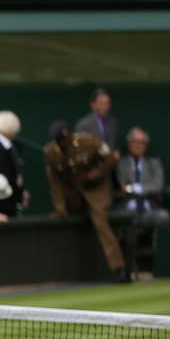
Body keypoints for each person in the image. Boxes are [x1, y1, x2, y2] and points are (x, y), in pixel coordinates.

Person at [44, 120, 126, 282]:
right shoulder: (51, 152)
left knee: (100, 222)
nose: (62, 144)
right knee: (59, 219)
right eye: (59, 141)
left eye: (63, 140)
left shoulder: (88, 142)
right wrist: (60, 207)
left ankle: (119, 269)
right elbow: (54, 182)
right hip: (72, 192)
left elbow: (110, 159)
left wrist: (93, 175)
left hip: (95, 190)